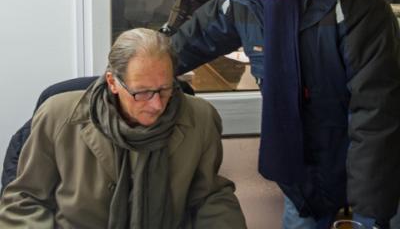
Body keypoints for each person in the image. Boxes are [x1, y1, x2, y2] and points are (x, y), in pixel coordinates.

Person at [171, 0, 400, 229]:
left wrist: (369, 215)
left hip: (363, 158)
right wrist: (146, 68)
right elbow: (197, 37)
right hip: (301, 170)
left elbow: (375, 113)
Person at [0, 28, 247, 228]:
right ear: (113, 83)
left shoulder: (200, 119)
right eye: (142, 92)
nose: (157, 104)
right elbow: (25, 200)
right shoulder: (58, 117)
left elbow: (210, 197)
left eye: (164, 89)